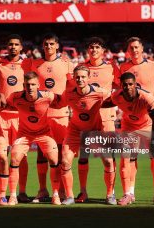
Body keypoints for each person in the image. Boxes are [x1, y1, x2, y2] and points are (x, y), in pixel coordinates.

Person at [119, 37, 154, 201]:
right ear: (128, 50)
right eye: (131, 48)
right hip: (129, 121)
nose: (134, 50)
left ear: (142, 48)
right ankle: (129, 194)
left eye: (136, 47)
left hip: (150, 121)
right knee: (128, 159)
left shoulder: (153, 66)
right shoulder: (123, 67)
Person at [102, 72, 154, 206]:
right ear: (121, 86)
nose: (128, 87)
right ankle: (128, 194)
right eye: (125, 85)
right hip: (129, 127)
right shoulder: (117, 96)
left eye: (131, 84)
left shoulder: (147, 97)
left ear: (135, 85)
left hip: (148, 126)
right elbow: (106, 103)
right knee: (125, 158)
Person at [28, 33, 74, 202]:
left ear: (57, 46)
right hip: (42, 115)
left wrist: (70, 105)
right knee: (41, 153)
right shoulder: (36, 64)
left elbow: (72, 86)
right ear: (43, 46)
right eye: (46, 44)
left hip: (61, 115)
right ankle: (42, 190)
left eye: (51, 44)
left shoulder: (66, 64)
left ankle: (61, 191)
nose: (48, 47)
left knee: (62, 155)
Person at [74, 37, 120, 204]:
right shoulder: (81, 68)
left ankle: (110, 193)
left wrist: (113, 103)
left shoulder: (111, 68)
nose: (94, 50)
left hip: (106, 117)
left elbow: (120, 88)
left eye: (97, 47)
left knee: (108, 158)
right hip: (85, 118)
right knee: (83, 156)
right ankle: (83, 192)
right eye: (91, 47)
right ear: (88, 50)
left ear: (103, 51)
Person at [57, 65, 110, 205]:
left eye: (83, 77)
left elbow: (116, 100)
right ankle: (69, 196)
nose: (80, 79)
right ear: (74, 78)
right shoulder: (68, 93)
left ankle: (110, 194)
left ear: (89, 78)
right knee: (65, 161)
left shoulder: (100, 93)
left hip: (95, 131)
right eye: (77, 77)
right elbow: (56, 103)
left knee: (109, 161)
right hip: (75, 131)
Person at [7, 72, 61, 206]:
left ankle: (56, 194)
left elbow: (63, 100)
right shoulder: (15, 97)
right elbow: (4, 103)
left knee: (54, 158)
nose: (30, 87)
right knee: (14, 157)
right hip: (24, 134)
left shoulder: (48, 96)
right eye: (27, 85)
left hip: (44, 133)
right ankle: (13, 195)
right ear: (23, 85)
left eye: (32, 84)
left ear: (38, 85)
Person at [0, 34, 30, 203]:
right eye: (10, 44)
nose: (13, 47)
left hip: (21, 117)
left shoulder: (27, 64)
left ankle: (21, 192)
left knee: (21, 155)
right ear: (6, 47)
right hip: (1, 115)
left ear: (21, 47)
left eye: (16, 44)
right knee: (2, 155)